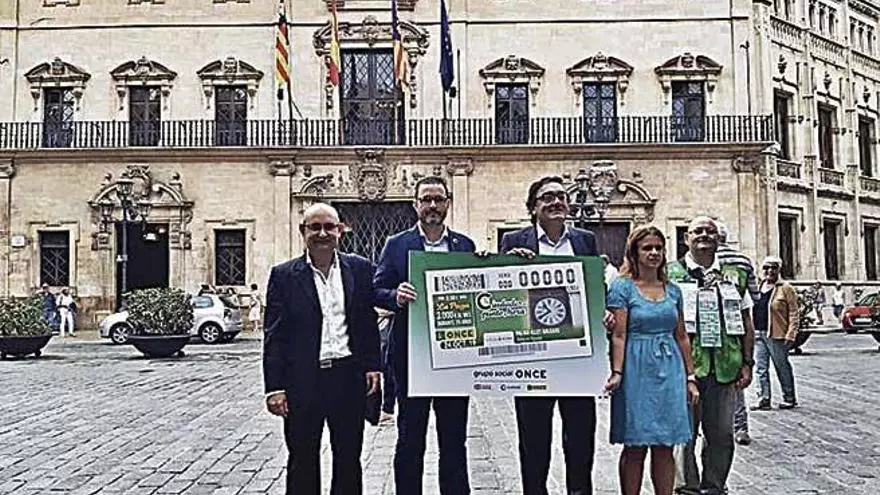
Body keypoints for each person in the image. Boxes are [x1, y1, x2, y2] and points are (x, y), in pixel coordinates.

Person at [262, 203, 381, 495]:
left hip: (347, 377)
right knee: (302, 460)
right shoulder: (284, 275)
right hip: (303, 381)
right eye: (315, 227)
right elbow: (275, 335)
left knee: (349, 459)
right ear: (303, 231)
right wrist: (274, 387)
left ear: (340, 231)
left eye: (329, 227)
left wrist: (372, 365)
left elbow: (367, 321)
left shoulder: (360, 269)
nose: (322, 233)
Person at [374, 176, 475, 495]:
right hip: (412, 357)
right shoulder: (397, 244)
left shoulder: (465, 246)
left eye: (438, 199)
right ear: (415, 204)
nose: (432, 205)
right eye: (426, 199)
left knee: (454, 439)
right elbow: (376, 289)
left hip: (454, 357)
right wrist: (395, 296)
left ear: (448, 203)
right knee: (410, 437)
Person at [500, 175, 598, 495]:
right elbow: (502, 291)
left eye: (561, 196)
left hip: (577, 358)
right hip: (533, 357)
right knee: (533, 441)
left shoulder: (585, 240)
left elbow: (593, 291)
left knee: (581, 438)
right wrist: (508, 265)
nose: (556, 202)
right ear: (533, 208)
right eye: (547, 197)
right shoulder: (514, 240)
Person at [605, 225, 698, 495]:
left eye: (659, 247)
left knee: (665, 444)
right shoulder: (622, 288)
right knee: (635, 445)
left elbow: (682, 336)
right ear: (634, 253)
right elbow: (619, 334)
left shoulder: (673, 290)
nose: (654, 253)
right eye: (647, 248)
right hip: (636, 368)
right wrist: (617, 372)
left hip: (670, 369)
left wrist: (690, 377)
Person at [667, 216, 755, 495]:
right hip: (684, 367)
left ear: (719, 239)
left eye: (710, 231)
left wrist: (748, 362)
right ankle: (687, 488)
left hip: (725, 367)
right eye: (698, 231)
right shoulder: (669, 274)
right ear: (686, 238)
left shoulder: (735, 275)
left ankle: (715, 486)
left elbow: (747, 321)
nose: (704, 235)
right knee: (683, 434)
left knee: (721, 434)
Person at [714, 221, 759, 446]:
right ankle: (740, 426)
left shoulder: (700, 260)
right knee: (736, 380)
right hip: (735, 327)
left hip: (710, 327)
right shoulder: (743, 260)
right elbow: (754, 296)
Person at [750, 256, 799, 411]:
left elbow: (794, 313)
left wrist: (791, 334)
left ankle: (789, 397)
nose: (769, 271)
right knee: (760, 368)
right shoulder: (758, 286)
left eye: (773, 268)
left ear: (779, 270)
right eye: (766, 267)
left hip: (776, 334)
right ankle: (763, 398)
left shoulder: (786, 288)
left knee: (781, 366)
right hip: (758, 332)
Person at [377, 307, 397, 422]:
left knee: (388, 368)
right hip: (383, 325)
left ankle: (387, 408)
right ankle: (387, 408)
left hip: (389, 325)